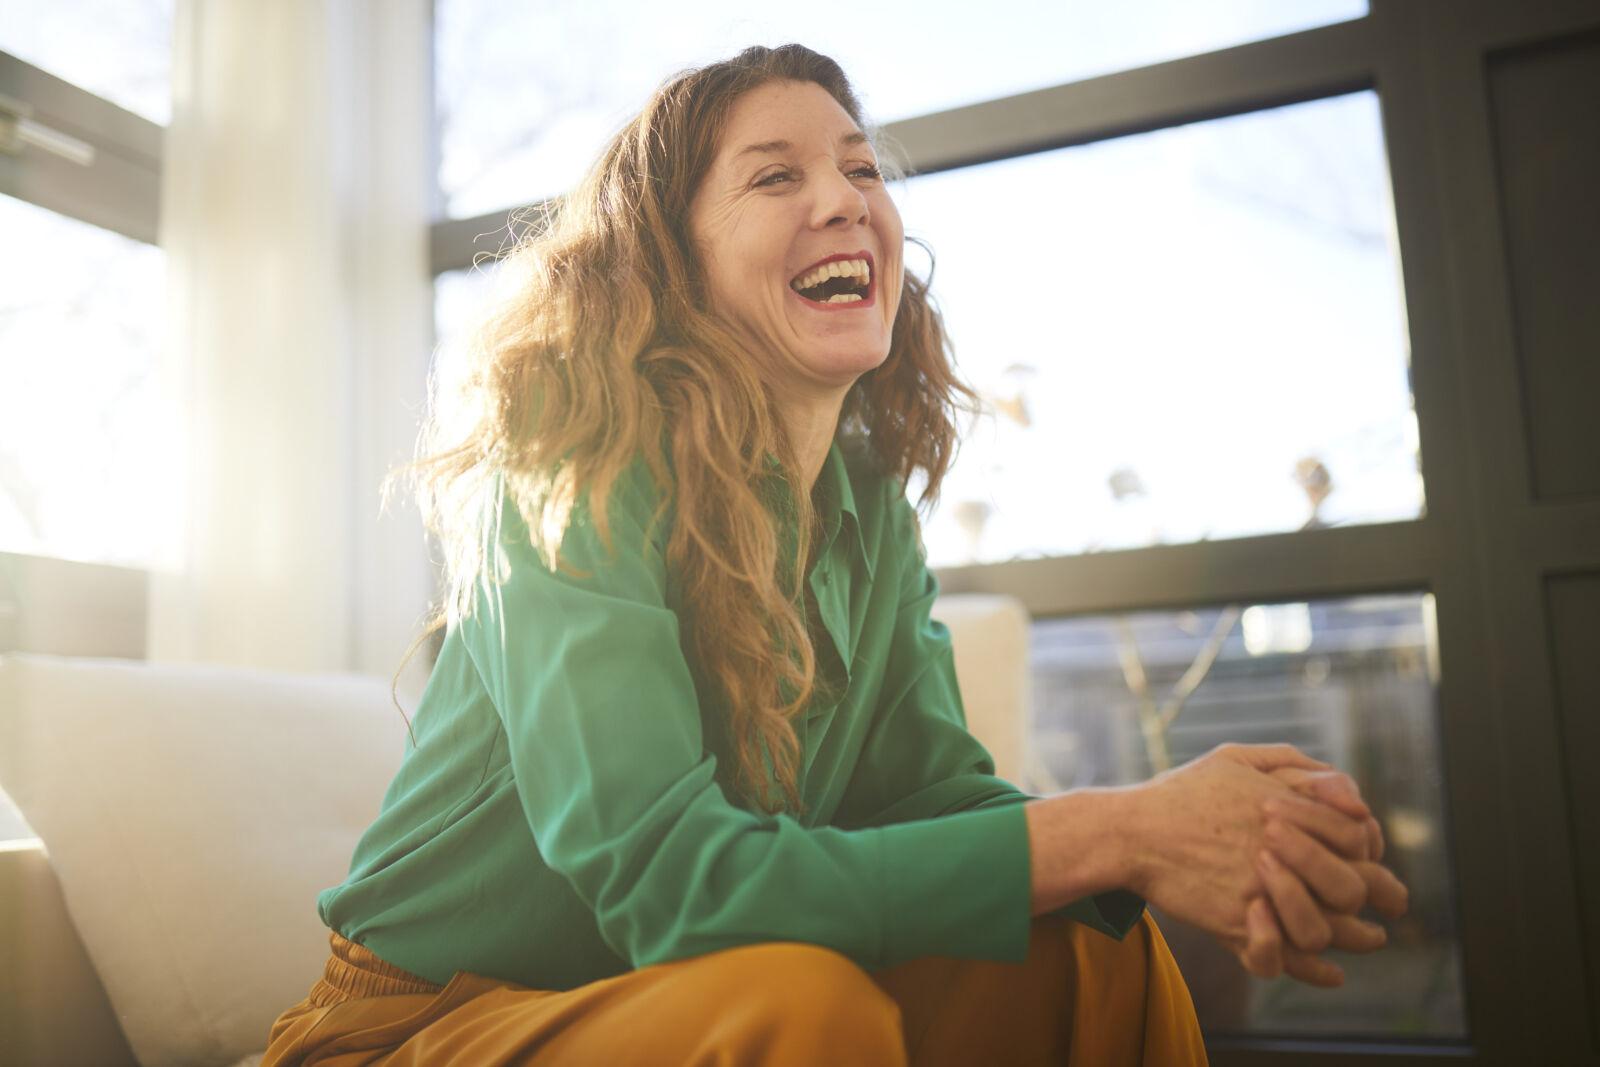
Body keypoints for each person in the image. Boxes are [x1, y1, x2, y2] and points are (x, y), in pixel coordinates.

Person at [262, 44, 1407, 1066]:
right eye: (776, 176)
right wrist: (1120, 830)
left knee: (1085, 947)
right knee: (802, 1009)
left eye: (861, 170)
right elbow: (676, 887)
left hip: (668, 996)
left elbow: (934, 799)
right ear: (666, 260)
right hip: (416, 1024)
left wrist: (1179, 845)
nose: (845, 203)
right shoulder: (572, 472)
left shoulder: (867, 511)